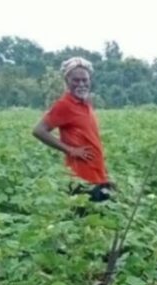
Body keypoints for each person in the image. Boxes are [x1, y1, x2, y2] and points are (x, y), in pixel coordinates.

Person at [32, 57, 112, 201]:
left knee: (103, 220)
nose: (81, 84)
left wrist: (105, 175)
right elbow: (39, 131)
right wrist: (71, 150)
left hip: (98, 176)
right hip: (80, 178)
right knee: (85, 221)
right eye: (76, 80)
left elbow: (93, 141)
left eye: (85, 80)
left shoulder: (86, 103)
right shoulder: (64, 105)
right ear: (67, 81)